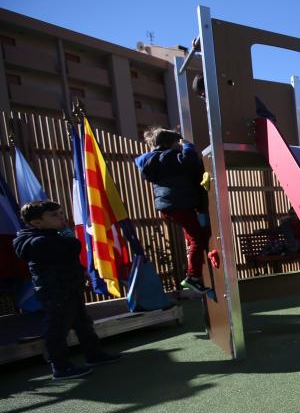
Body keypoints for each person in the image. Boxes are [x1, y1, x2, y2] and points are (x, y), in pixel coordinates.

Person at [13, 201, 121, 379]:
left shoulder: (53, 236)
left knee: (83, 323)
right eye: (54, 215)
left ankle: (94, 354)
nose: (61, 217)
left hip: (69, 287)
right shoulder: (36, 241)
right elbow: (70, 249)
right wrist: (68, 238)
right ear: (36, 222)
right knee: (57, 328)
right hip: (55, 291)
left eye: (61, 213)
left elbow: (68, 258)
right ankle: (61, 366)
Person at [135, 127, 211, 294]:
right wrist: (188, 146)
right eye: (177, 143)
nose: (179, 145)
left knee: (192, 239)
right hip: (179, 204)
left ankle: (194, 270)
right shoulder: (166, 157)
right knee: (198, 239)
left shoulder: (153, 161)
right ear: (167, 144)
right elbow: (188, 160)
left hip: (170, 207)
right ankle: (193, 277)